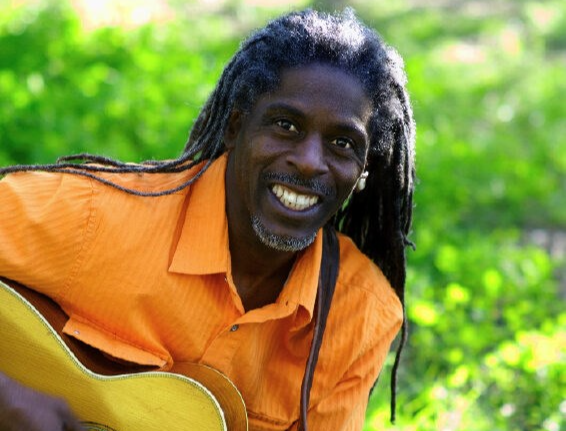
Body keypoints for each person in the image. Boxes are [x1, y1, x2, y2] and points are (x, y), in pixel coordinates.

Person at [0, 8, 415, 431]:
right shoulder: (99, 217)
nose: (310, 163)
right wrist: (10, 398)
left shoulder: (360, 315)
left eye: (342, 143)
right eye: (285, 125)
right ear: (236, 127)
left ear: (364, 170)